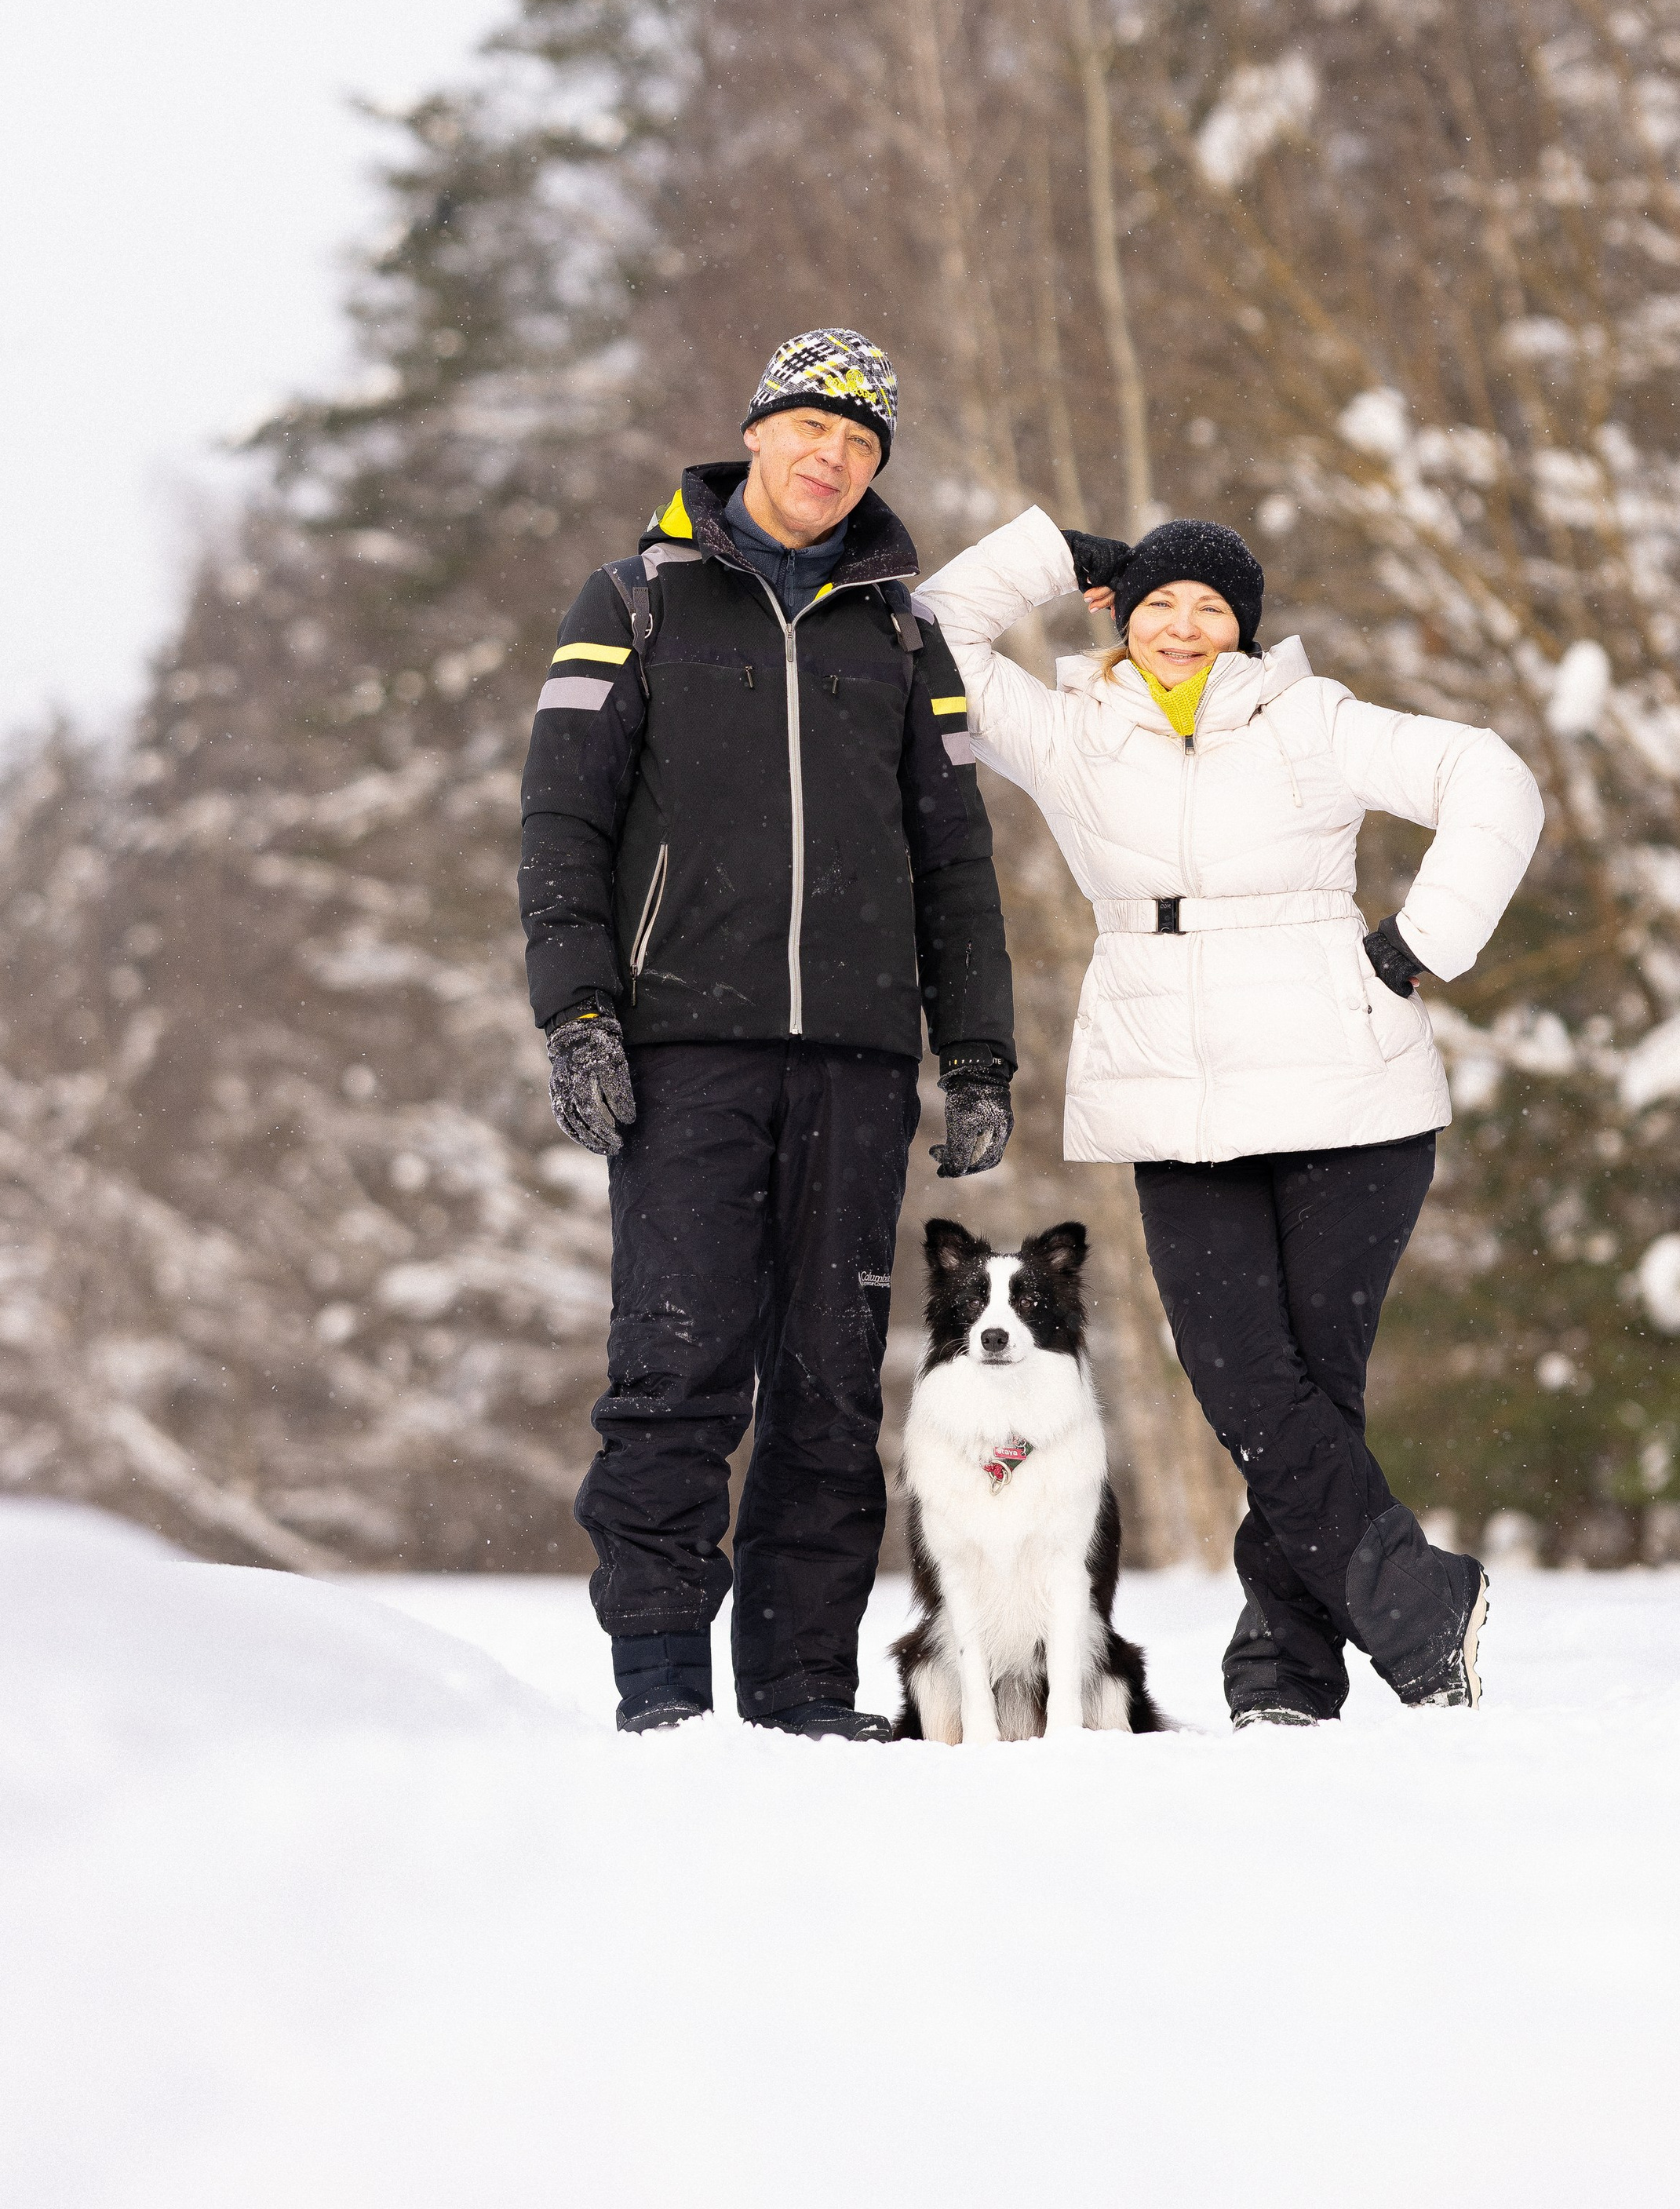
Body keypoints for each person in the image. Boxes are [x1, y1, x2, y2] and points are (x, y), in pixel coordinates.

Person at [914, 506, 1543, 1723]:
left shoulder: (1310, 718)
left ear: (1245, 628)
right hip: (1171, 1101)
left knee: (1310, 1388)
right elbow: (931, 628)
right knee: (1246, 1381)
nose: (1185, 626)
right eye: (1159, 602)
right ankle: (1414, 1597)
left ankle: (1284, 1670)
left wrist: (1422, 942)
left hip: (1350, 1095)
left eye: (1211, 607)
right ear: (1126, 618)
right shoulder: (1069, 729)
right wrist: (1068, 557)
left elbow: (1491, 776)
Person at [519, 329, 1016, 1739]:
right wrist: (580, 1012)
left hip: (860, 1064)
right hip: (686, 1051)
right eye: (812, 429)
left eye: (861, 445)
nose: (832, 459)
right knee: (676, 1367)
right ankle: (664, 1681)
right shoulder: (635, 603)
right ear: (756, 432)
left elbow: (956, 862)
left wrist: (977, 1050)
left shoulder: (907, 637)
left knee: (828, 1384)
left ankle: (802, 1686)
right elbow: (562, 824)